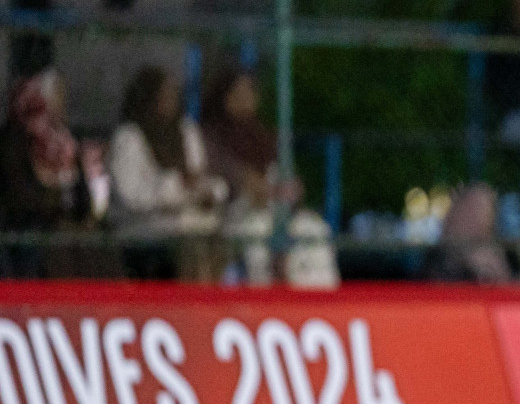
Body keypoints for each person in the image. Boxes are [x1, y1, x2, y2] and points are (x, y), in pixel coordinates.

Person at [202, 67, 338, 288]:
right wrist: (253, 187)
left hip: (278, 210)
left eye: (250, 92)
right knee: (258, 231)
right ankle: (266, 302)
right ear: (226, 98)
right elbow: (229, 178)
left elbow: (287, 179)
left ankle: (320, 303)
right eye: (240, 93)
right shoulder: (212, 136)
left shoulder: (264, 135)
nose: (248, 99)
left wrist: (290, 189)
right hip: (236, 214)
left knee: (314, 228)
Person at [108, 66, 228, 281]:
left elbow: (205, 180)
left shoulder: (186, 132)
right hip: (144, 231)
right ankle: (187, 308)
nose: (171, 101)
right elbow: (131, 198)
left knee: (218, 236)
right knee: (189, 245)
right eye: (164, 96)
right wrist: (176, 185)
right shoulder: (129, 138)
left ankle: (211, 307)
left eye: (173, 94)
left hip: (189, 223)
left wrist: (206, 192)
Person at [0, 68, 112, 277]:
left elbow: (82, 193)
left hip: (66, 226)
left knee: (98, 242)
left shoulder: (65, 139)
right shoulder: (15, 142)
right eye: (57, 94)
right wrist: (54, 210)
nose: (62, 102)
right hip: (30, 229)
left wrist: (84, 216)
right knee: (57, 245)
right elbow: (18, 197)